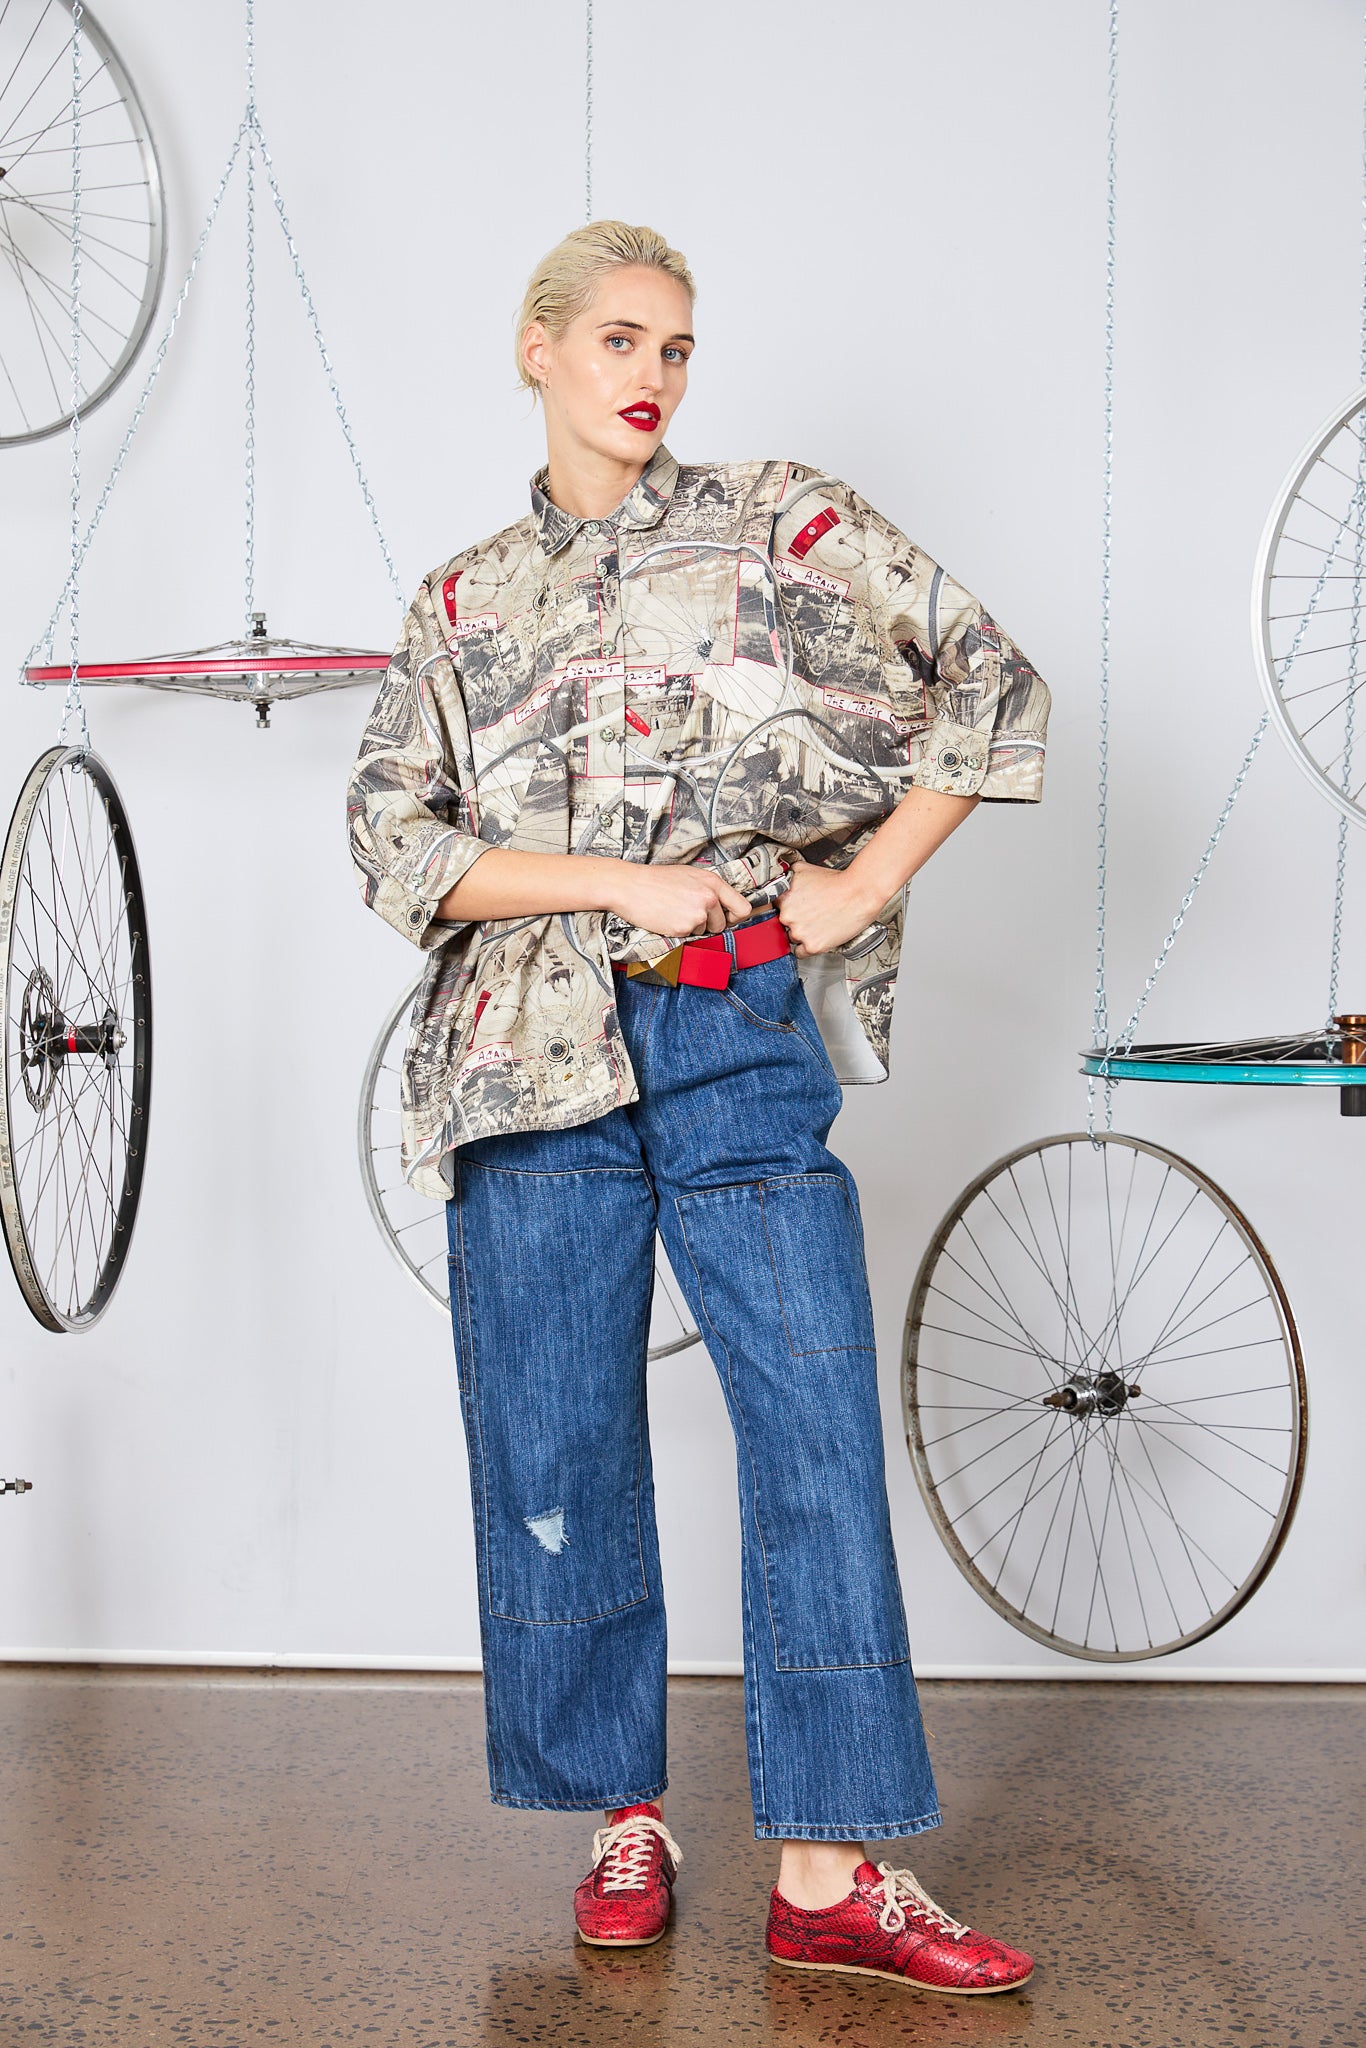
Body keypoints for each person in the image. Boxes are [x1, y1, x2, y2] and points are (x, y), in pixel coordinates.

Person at [347, 221, 1051, 1996]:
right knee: (557, 1438)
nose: (650, 374)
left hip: (736, 1026)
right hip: (530, 1050)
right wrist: (613, 879)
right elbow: (392, 841)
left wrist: (860, 885)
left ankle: (827, 1867)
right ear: (536, 349)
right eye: (617, 339)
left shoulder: (777, 524)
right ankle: (620, 1816)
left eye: (674, 345)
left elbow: (989, 676)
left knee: (812, 1421)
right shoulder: (459, 603)